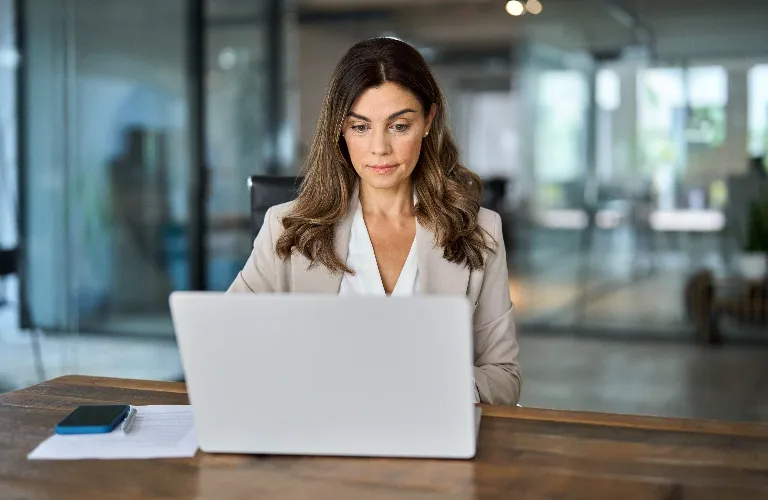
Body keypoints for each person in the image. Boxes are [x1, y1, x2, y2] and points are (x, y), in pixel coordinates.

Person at [228, 37, 521, 405]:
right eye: (361, 127)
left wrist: (440, 386)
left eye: (399, 126)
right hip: (316, 432)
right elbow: (228, 345)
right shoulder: (284, 227)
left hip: (430, 435)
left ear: (428, 121)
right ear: (339, 129)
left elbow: (504, 377)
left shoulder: (480, 231)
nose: (379, 148)